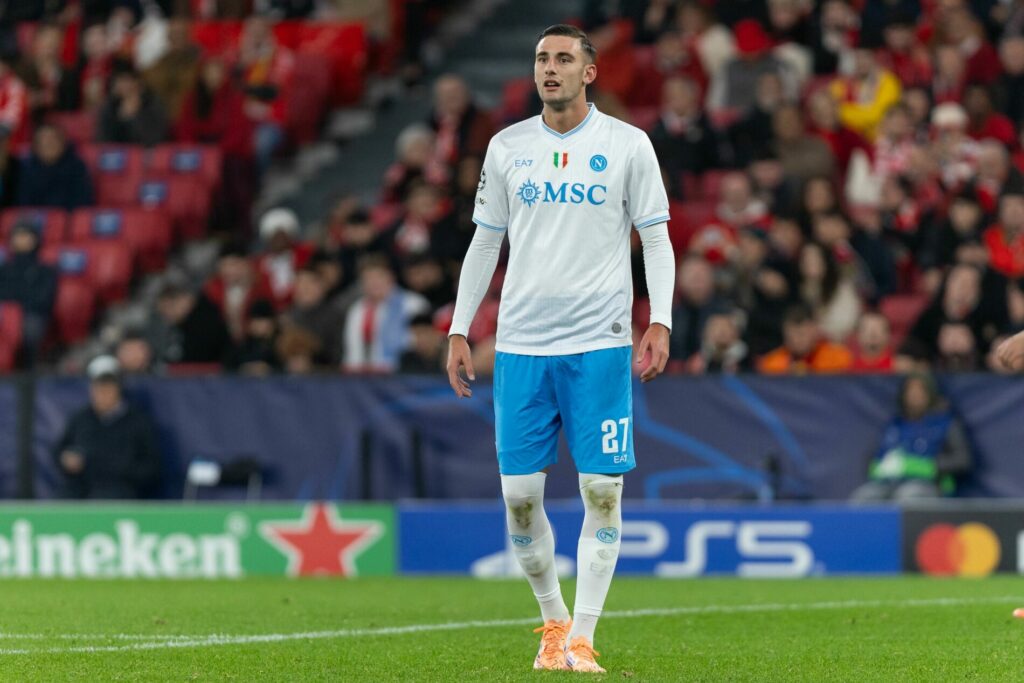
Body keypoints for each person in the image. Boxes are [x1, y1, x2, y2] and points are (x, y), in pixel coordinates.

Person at [445, 25, 675, 673]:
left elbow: (656, 238)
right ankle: (553, 620)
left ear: (589, 73)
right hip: (521, 346)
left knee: (602, 492)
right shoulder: (507, 147)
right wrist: (460, 327)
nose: (550, 68)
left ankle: (584, 636)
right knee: (520, 499)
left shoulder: (627, 144)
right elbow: (485, 242)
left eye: (564, 59)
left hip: (600, 344)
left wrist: (660, 319)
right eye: (542, 58)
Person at [53, 356, 162, 499]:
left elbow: (152, 467)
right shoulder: (80, 418)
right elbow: (60, 450)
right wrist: (66, 459)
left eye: (108, 385)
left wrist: (123, 470)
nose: (103, 392)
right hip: (81, 487)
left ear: (118, 388)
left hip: (119, 490)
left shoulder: (137, 421)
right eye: (99, 386)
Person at [850, 372, 971, 502]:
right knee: (864, 496)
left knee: (908, 495)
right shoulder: (895, 424)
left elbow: (962, 460)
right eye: (911, 390)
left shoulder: (946, 423)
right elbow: (873, 458)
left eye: (920, 390)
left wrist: (925, 466)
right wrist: (881, 466)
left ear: (930, 394)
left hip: (930, 484)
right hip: (890, 483)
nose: (915, 395)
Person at [0, 221, 57, 362]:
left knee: (31, 329)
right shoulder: (4, 268)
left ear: (35, 239)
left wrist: (19, 306)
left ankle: (28, 368)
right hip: (5, 313)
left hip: (31, 315)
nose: (21, 240)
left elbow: (44, 299)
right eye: (18, 235)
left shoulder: (45, 269)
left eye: (25, 235)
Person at [758, 303, 853, 374]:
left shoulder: (838, 359)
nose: (796, 340)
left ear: (814, 331)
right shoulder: (771, 364)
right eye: (790, 336)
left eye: (801, 335)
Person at [16, 123, 94, 210]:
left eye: (53, 140)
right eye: (44, 141)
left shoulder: (76, 167)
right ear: (35, 146)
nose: (48, 144)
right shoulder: (25, 169)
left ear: (63, 143)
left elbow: (83, 203)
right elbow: (21, 203)